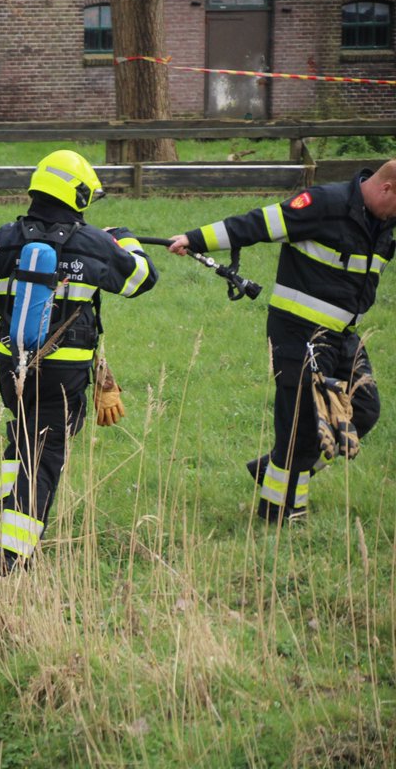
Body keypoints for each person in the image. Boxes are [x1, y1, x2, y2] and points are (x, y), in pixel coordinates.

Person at [0, 150, 158, 573]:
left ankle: (10, 501)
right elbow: (142, 278)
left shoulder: (9, 236)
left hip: (11, 369)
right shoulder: (95, 243)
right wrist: (124, 238)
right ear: (80, 195)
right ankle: (10, 557)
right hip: (63, 377)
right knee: (44, 458)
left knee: (25, 434)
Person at [169, 159, 396, 524]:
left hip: (343, 336)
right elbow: (259, 223)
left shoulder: (385, 222)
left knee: (364, 411)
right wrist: (195, 239)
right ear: (387, 189)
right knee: (301, 427)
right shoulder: (325, 204)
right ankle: (280, 514)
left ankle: (272, 468)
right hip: (298, 332)